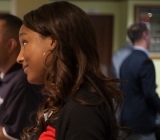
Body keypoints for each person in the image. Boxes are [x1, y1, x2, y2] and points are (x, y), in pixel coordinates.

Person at [17, 1, 123, 139]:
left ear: (53, 41)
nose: (19, 58)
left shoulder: (84, 109)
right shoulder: (60, 100)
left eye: (25, 42)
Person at [119, 23, 160, 140]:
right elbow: (149, 94)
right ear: (145, 35)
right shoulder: (145, 62)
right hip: (142, 122)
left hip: (126, 121)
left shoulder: (125, 61)